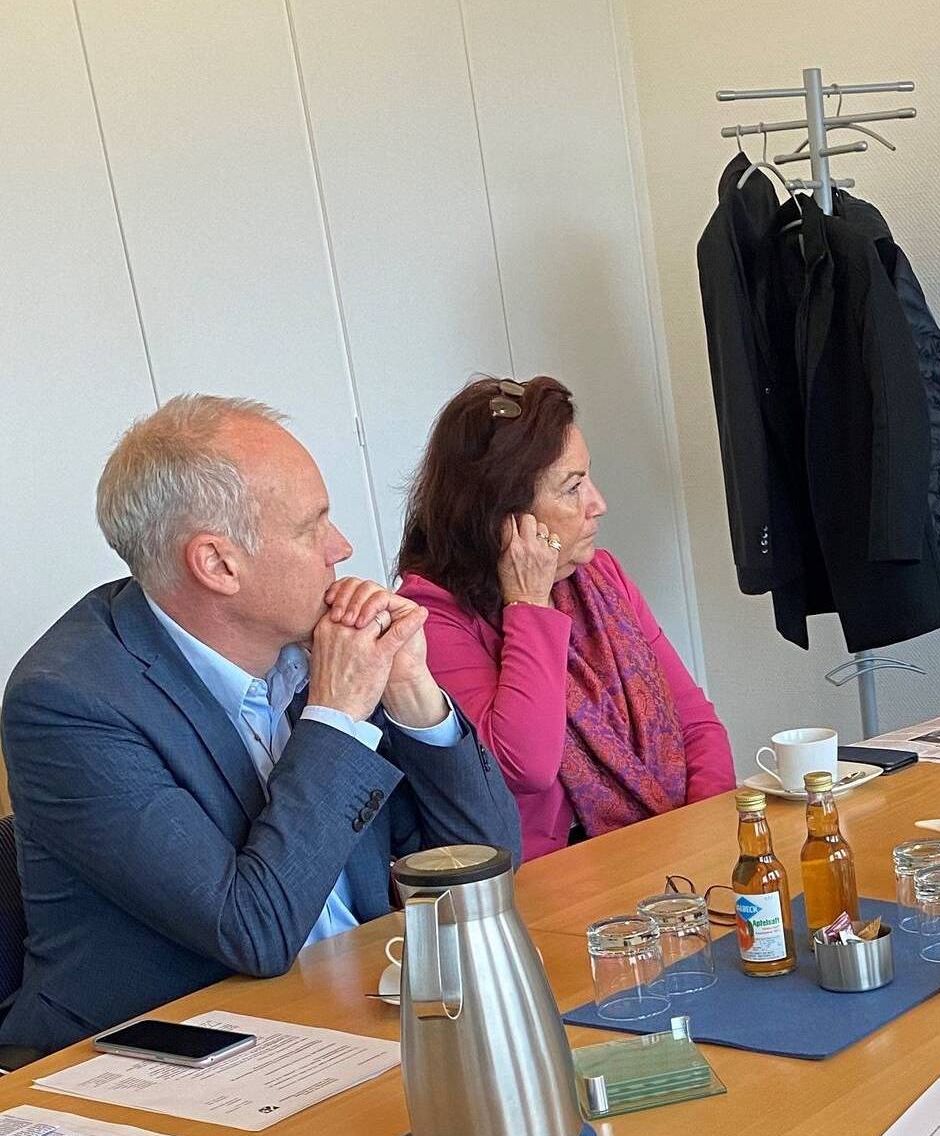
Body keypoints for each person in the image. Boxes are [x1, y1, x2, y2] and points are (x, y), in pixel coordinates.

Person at [0, 397, 518, 1053]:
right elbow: (253, 929)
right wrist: (337, 714)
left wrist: (414, 692)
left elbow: (487, 860)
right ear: (217, 564)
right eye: (312, 527)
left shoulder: (308, 647)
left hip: (346, 1013)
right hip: (162, 1059)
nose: (342, 548)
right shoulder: (70, 703)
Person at [396, 377, 734, 860]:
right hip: (554, 887)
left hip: (668, 857)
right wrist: (529, 605)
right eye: (573, 488)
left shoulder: (602, 578)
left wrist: (698, 840)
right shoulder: (434, 621)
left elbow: (697, 726)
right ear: (505, 516)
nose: (598, 504)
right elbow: (524, 766)